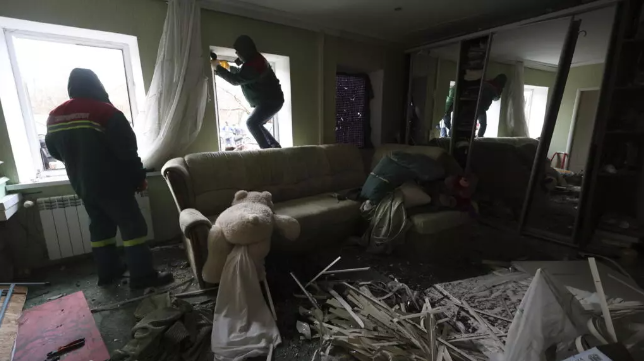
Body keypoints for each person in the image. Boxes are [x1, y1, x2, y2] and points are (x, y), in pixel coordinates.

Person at [45, 68, 174, 288]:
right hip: (112, 183)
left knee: (100, 228)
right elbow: (127, 152)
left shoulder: (55, 116)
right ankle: (142, 276)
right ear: (96, 85)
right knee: (133, 227)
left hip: (82, 184)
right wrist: (138, 178)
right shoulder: (106, 112)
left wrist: (79, 163)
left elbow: (54, 151)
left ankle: (108, 272)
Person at [212, 35, 284, 149]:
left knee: (251, 123)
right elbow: (244, 75)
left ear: (244, 51)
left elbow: (237, 80)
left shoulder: (255, 64)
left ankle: (267, 151)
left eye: (238, 51)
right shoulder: (255, 61)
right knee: (257, 124)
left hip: (271, 101)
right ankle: (274, 147)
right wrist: (228, 68)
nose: (236, 54)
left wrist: (218, 68)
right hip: (271, 100)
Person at [442, 74, 507, 138]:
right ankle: (479, 138)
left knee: (465, 122)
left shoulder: (486, 83)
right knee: (481, 125)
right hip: (480, 108)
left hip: (474, 105)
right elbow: (496, 98)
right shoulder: (496, 89)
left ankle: (453, 136)